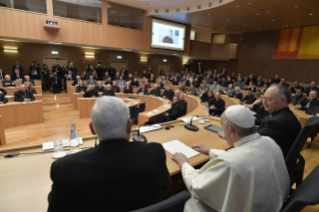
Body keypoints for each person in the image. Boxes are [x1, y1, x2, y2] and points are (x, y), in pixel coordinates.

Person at [48, 96, 171, 212]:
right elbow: (166, 187)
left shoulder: (64, 170)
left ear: (92, 129)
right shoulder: (155, 153)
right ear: (129, 125)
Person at [171, 105, 289, 212]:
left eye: (223, 127)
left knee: (190, 203)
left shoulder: (231, 163)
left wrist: (184, 163)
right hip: (272, 205)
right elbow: (244, 156)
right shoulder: (269, 142)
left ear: (231, 131)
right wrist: (210, 151)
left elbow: (196, 186)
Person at [257, 84, 301, 157]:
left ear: (283, 101)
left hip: (271, 163)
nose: (263, 102)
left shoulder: (276, 123)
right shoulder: (287, 115)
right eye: (263, 98)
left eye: (268, 99)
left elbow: (254, 144)